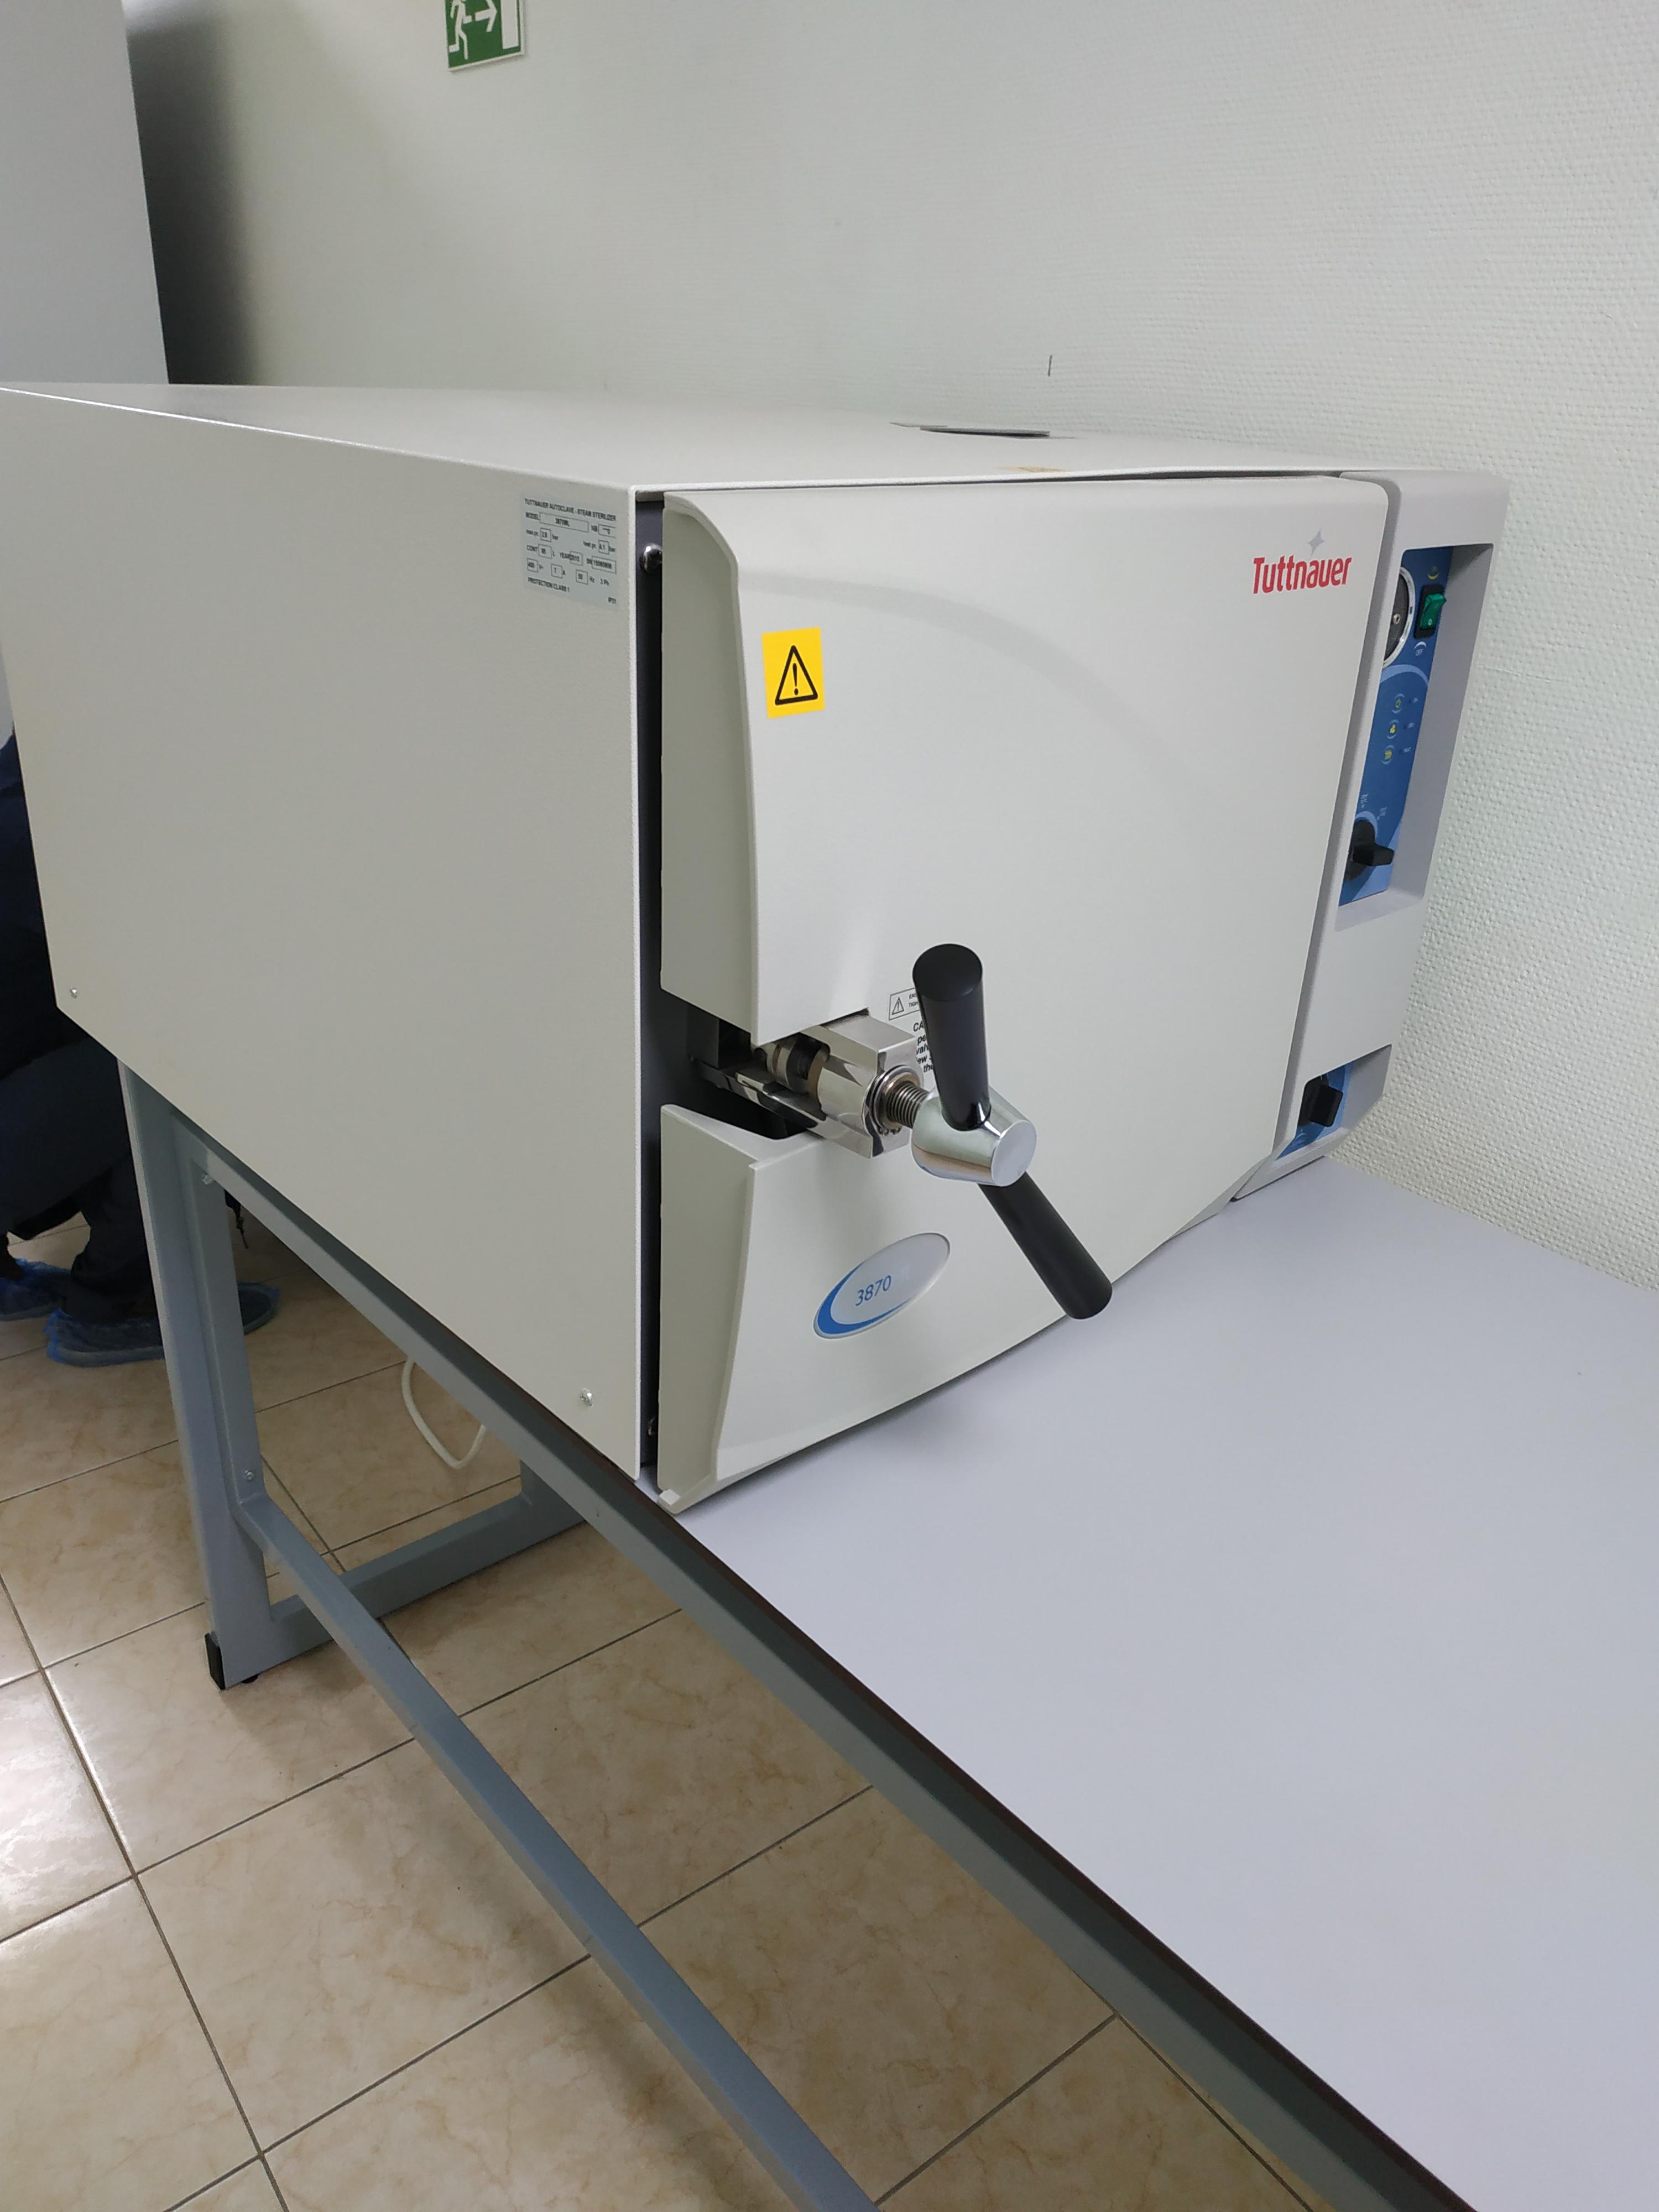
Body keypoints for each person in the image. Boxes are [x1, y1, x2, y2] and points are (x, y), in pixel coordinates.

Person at [0, 728, 278, 1363]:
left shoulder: (25, 795)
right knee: (165, 1067)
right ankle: (107, 1305)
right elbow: (152, 968)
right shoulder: (35, 834)